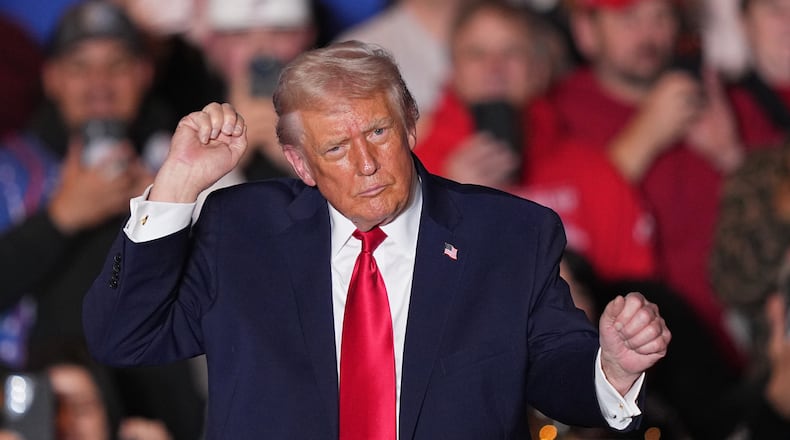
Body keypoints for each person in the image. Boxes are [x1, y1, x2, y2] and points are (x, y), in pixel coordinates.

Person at [82, 41, 670, 438]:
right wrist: (177, 186)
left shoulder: (508, 235)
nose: (366, 163)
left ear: (410, 123)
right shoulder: (241, 231)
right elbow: (123, 336)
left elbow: (555, 367)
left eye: (379, 132)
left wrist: (610, 370)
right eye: (335, 148)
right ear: (300, 164)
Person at [0, 2, 206, 438]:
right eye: (80, 67)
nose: (99, 84)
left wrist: (165, 208)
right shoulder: (10, 171)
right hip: (40, 412)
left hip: (167, 413)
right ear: (51, 78)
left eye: (117, 65)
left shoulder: (187, 160)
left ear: (144, 74)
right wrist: (59, 218)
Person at [530, 0, 751, 366]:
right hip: (620, 353)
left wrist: (731, 155)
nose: (649, 34)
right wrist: (643, 137)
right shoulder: (549, 117)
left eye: (661, 16)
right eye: (628, 18)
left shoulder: (720, 99)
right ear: (586, 31)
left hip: (735, 343)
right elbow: (552, 236)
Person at [200, 0, 317, 181]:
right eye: (240, 35)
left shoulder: (339, 109)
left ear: (308, 36)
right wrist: (226, 159)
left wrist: (302, 160)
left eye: (279, 33)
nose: (262, 51)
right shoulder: (179, 112)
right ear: (212, 45)